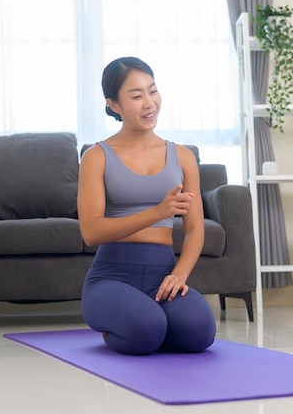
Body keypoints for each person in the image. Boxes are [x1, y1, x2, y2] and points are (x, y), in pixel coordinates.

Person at [78, 56, 217, 355]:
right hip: (111, 277)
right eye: (137, 96)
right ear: (114, 105)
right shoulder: (96, 156)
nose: (149, 103)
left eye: (152, 91)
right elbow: (91, 232)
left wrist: (179, 275)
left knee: (200, 333)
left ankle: (150, 322)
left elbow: (194, 230)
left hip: (162, 275)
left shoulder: (183, 156)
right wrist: (157, 212)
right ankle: (129, 324)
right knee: (146, 330)